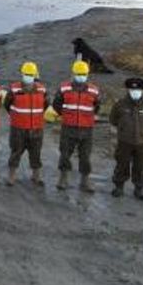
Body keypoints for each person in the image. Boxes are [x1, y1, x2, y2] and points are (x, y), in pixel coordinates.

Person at [53, 59, 101, 193]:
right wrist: (66, 116)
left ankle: (85, 181)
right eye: (79, 73)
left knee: (85, 156)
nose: (81, 76)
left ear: (87, 74)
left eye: (84, 74)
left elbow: (97, 106)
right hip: (69, 127)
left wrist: (88, 117)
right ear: (73, 74)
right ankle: (63, 179)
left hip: (86, 129)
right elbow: (57, 104)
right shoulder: (64, 88)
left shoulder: (94, 90)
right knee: (65, 154)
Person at [109, 77, 143, 200]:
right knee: (122, 165)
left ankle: (139, 189)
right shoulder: (120, 104)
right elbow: (113, 119)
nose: (135, 91)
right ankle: (119, 187)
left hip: (142, 142)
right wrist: (123, 130)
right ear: (128, 90)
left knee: (140, 167)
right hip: (125, 141)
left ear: (142, 90)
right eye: (132, 89)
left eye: (138, 89)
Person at [4, 61, 48, 187]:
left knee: (36, 153)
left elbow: (45, 105)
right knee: (15, 151)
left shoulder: (42, 90)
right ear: (22, 74)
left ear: (35, 75)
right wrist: (17, 116)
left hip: (36, 128)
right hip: (18, 128)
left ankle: (36, 176)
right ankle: (12, 176)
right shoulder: (14, 89)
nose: (28, 76)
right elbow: (7, 105)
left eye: (31, 74)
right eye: (26, 74)